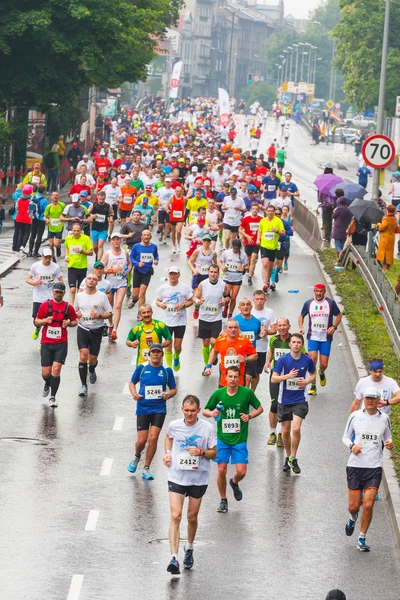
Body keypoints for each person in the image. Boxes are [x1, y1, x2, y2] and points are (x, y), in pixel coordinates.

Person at [163, 394, 216, 574]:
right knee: (175, 515)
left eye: (193, 411)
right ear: (182, 410)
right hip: (177, 475)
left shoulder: (207, 428)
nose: (190, 414)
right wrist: (168, 453)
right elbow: (168, 437)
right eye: (186, 411)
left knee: (191, 517)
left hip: (198, 477)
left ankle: (190, 547)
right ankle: (173, 558)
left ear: (199, 411)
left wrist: (201, 452)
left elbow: (214, 454)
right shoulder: (174, 425)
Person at [203, 366, 263, 512]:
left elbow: (260, 408)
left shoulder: (246, 393)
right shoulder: (218, 393)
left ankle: (234, 482)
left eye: (235, 377)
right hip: (222, 438)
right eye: (230, 376)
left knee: (241, 472)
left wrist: (249, 416)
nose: (232, 380)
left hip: (240, 439)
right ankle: (223, 500)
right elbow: (205, 411)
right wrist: (213, 413)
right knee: (222, 469)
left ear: (239, 378)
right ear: (225, 377)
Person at [342, 387, 393, 552]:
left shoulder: (384, 418)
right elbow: (345, 437)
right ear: (363, 399)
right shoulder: (355, 416)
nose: (370, 401)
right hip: (355, 466)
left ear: (378, 399)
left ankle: (362, 538)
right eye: (367, 398)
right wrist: (352, 445)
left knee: (369, 504)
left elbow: (388, 437)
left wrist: (389, 443)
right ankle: (352, 517)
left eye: (373, 398)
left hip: (374, 467)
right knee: (353, 506)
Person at [128, 344, 177, 481]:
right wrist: (134, 394)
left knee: (153, 438)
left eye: (158, 352)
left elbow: (173, 389)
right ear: (149, 354)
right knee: (142, 440)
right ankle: (137, 456)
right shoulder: (142, 368)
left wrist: (169, 394)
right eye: (153, 352)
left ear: (162, 354)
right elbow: (132, 382)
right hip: (143, 407)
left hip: (159, 408)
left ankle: (147, 467)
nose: (155, 355)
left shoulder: (167, 370)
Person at [271, 333, 316, 474]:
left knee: (295, 429)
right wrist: (288, 376)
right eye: (294, 342)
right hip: (284, 400)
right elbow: (274, 378)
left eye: (299, 342)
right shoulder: (283, 360)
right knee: (285, 431)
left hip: (300, 400)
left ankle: (293, 457)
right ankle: (288, 456)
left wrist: (307, 381)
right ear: (290, 344)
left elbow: (313, 374)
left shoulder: (307, 360)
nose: (296, 344)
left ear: (302, 345)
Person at [34, 282, 78, 407]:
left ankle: (53, 397)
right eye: (56, 291)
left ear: (64, 293)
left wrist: (68, 323)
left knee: (56, 369)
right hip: (47, 343)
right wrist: (45, 321)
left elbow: (75, 321)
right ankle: (47, 383)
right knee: (46, 373)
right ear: (53, 291)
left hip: (61, 343)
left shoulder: (68, 307)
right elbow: (36, 321)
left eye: (61, 292)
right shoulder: (45, 306)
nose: (58, 294)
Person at [298, 283, 342, 395]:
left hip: (326, 338)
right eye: (317, 291)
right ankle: (313, 385)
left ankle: (321, 372)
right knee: (312, 361)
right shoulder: (308, 303)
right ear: (314, 291)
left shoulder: (330, 303)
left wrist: (333, 327)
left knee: (323, 364)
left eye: (321, 291)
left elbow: (339, 315)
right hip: (312, 336)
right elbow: (301, 315)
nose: (319, 293)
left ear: (324, 292)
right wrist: (301, 327)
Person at [74, 273, 112, 397]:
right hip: (83, 328)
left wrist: (99, 316)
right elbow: (74, 311)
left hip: (97, 329)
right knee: (83, 355)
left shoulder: (102, 297)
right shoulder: (79, 296)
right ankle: (83, 385)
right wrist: (77, 315)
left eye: (94, 279)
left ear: (97, 283)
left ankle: (92, 369)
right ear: (85, 281)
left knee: (93, 359)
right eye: (89, 279)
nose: (91, 281)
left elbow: (110, 313)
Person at [156, 267, 194, 371]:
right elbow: (158, 301)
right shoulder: (163, 288)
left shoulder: (184, 288)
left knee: (177, 346)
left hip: (180, 321)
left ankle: (176, 356)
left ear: (179, 275)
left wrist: (183, 305)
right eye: (171, 274)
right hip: (167, 321)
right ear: (168, 275)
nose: (173, 276)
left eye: (175, 274)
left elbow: (191, 301)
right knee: (168, 345)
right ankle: (169, 368)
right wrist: (161, 305)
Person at [193, 264, 228, 371]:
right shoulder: (203, 284)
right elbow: (195, 297)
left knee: (214, 341)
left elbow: (228, 297)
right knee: (206, 342)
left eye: (215, 272)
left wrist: (225, 301)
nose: (213, 274)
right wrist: (198, 301)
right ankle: (206, 363)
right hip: (204, 317)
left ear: (218, 274)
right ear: (208, 272)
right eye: (211, 272)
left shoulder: (223, 285)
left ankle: (214, 354)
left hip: (216, 318)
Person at [203, 319, 257, 386]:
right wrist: (208, 366)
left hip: (239, 380)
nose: (233, 330)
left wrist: (245, 359)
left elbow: (255, 355)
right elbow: (214, 351)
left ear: (238, 329)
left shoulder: (245, 341)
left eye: (235, 327)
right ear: (225, 329)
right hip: (224, 379)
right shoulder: (220, 340)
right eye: (230, 327)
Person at [27, 248, 64, 340]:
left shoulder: (55, 267)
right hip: (38, 296)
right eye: (46, 257)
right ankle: (38, 328)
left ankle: (44, 340)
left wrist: (54, 285)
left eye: (49, 257)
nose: (47, 260)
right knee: (36, 320)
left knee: (50, 319)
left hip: (50, 296)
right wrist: (34, 283)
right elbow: (28, 279)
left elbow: (61, 281)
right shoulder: (35, 266)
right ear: (42, 256)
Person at [103, 232, 131, 341]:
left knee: (118, 306)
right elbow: (100, 269)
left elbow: (129, 264)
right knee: (110, 308)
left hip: (121, 283)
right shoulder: (108, 254)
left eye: (118, 239)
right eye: (114, 240)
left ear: (121, 241)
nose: (116, 242)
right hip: (110, 283)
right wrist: (112, 270)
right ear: (111, 241)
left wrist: (128, 270)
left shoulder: (125, 252)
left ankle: (114, 330)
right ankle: (110, 325)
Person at [233, 298, 267, 388]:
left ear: (251, 307)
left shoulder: (256, 322)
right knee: (236, 380)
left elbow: (258, 336)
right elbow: (224, 333)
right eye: (243, 305)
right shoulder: (234, 321)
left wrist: (263, 334)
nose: (245, 306)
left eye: (248, 304)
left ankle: (245, 400)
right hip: (237, 354)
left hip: (250, 355)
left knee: (247, 381)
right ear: (239, 307)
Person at [251, 290, 277, 392]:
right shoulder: (249, 310)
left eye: (261, 299)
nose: (259, 301)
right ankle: (245, 393)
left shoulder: (270, 312)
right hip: (248, 346)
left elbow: (274, 329)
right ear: (253, 300)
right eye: (257, 299)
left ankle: (252, 392)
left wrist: (266, 332)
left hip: (261, 347)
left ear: (265, 300)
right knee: (247, 373)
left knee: (256, 373)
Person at [128, 230, 159, 315]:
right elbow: (131, 257)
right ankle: (134, 300)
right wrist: (137, 263)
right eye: (144, 235)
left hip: (147, 272)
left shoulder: (154, 247)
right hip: (138, 271)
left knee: (142, 292)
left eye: (148, 235)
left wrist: (156, 260)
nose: (146, 237)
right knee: (135, 294)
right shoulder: (136, 246)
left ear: (150, 237)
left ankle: (140, 313)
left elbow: (156, 255)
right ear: (141, 237)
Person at [257, 204, 285, 293]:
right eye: (268, 211)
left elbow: (283, 233)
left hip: (273, 247)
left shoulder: (278, 221)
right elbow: (260, 231)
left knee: (270, 267)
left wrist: (276, 231)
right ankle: (265, 283)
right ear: (266, 211)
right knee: (265, 264)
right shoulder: (263, 221)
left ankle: (268, 280)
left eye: (271, 211)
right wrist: (258, 239)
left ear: (274, 212)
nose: (270, 212)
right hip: (264, 245)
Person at [64, 223, 93, 305]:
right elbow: (66, 246)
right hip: (72, 266)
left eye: (78, 231)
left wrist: (82, 251)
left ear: (81, 231)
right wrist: (66, 256)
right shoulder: (68, 239)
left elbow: (91, 252)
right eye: (74, 231)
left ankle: (79, 306)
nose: (76, 232)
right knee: (72, 289)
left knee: (81, 290)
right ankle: (72, 307)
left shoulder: (86, 239)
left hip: (82, 267)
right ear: (71, 231)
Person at [219, 238, 248, 318]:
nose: (235, 250)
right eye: (234, 248)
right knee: (227, 297)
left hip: (237, 278)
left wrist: (244, 268)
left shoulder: (243, 255)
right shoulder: (226, 253)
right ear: (232, 246)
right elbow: (220, 261)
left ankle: (230, 314)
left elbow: (247, 265)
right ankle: (226, 307)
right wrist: (222, 267)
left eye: (237, 249)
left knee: (234, 298)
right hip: (228, 277)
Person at [239, 202, 263, 286]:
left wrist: (259, 239)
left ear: (258, 210)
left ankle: (250, 277)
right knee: (248, 260)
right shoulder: (246, 218)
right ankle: (248, 269)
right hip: (248, 242)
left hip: (257, 242)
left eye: (256, 209)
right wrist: (247, 236)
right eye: (253, 209)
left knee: (253, 258)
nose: (255, 210)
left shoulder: (261, 219)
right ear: (251, 210)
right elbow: (240, 229)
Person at [90, 190, 113, 261]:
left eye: (103, 199)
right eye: (100, 199)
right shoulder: (93, 205)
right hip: (95, 228)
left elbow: (111, 213)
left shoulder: (108, 206)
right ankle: (97, 255)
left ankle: (98, 261)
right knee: (95, 246)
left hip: (104, 228)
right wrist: (92, 215)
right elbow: (87, 213)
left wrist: (111, 218)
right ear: (97, 197)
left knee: (100, 245)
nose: (101, 201)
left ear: (105, 198)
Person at [376, 205, 400, 272]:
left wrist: (378, 224)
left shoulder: (386, 218)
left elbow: (382, 228)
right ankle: (388, 267)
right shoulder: (394, 219)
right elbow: (396, 227)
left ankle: (385, 268)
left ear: (387, 210)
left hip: (385, 237)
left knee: (384, 252)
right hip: (392, 237)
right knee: (390, 252)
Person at [44, 192, 65, 261]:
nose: (55, 196)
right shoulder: (49, 206)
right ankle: (53, 257)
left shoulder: (62, 205)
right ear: (51, 197)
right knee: (50, 245)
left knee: (55, 244)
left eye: (56, 195)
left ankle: (58, 247)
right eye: (53, 195)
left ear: (58, 197)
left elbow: (66, 214)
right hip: (51, 227)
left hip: (59, 227)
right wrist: (47, 220)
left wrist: (63, 218)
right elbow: (45, 216)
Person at [13, 185, 32, 252]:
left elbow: (16, 207)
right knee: (27, 232)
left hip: (19, 217)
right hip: (27, 218)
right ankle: (23, 246)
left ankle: (18, 247)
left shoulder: (19, 198)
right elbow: (31, 210)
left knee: (21, 232)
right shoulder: (30, 199)